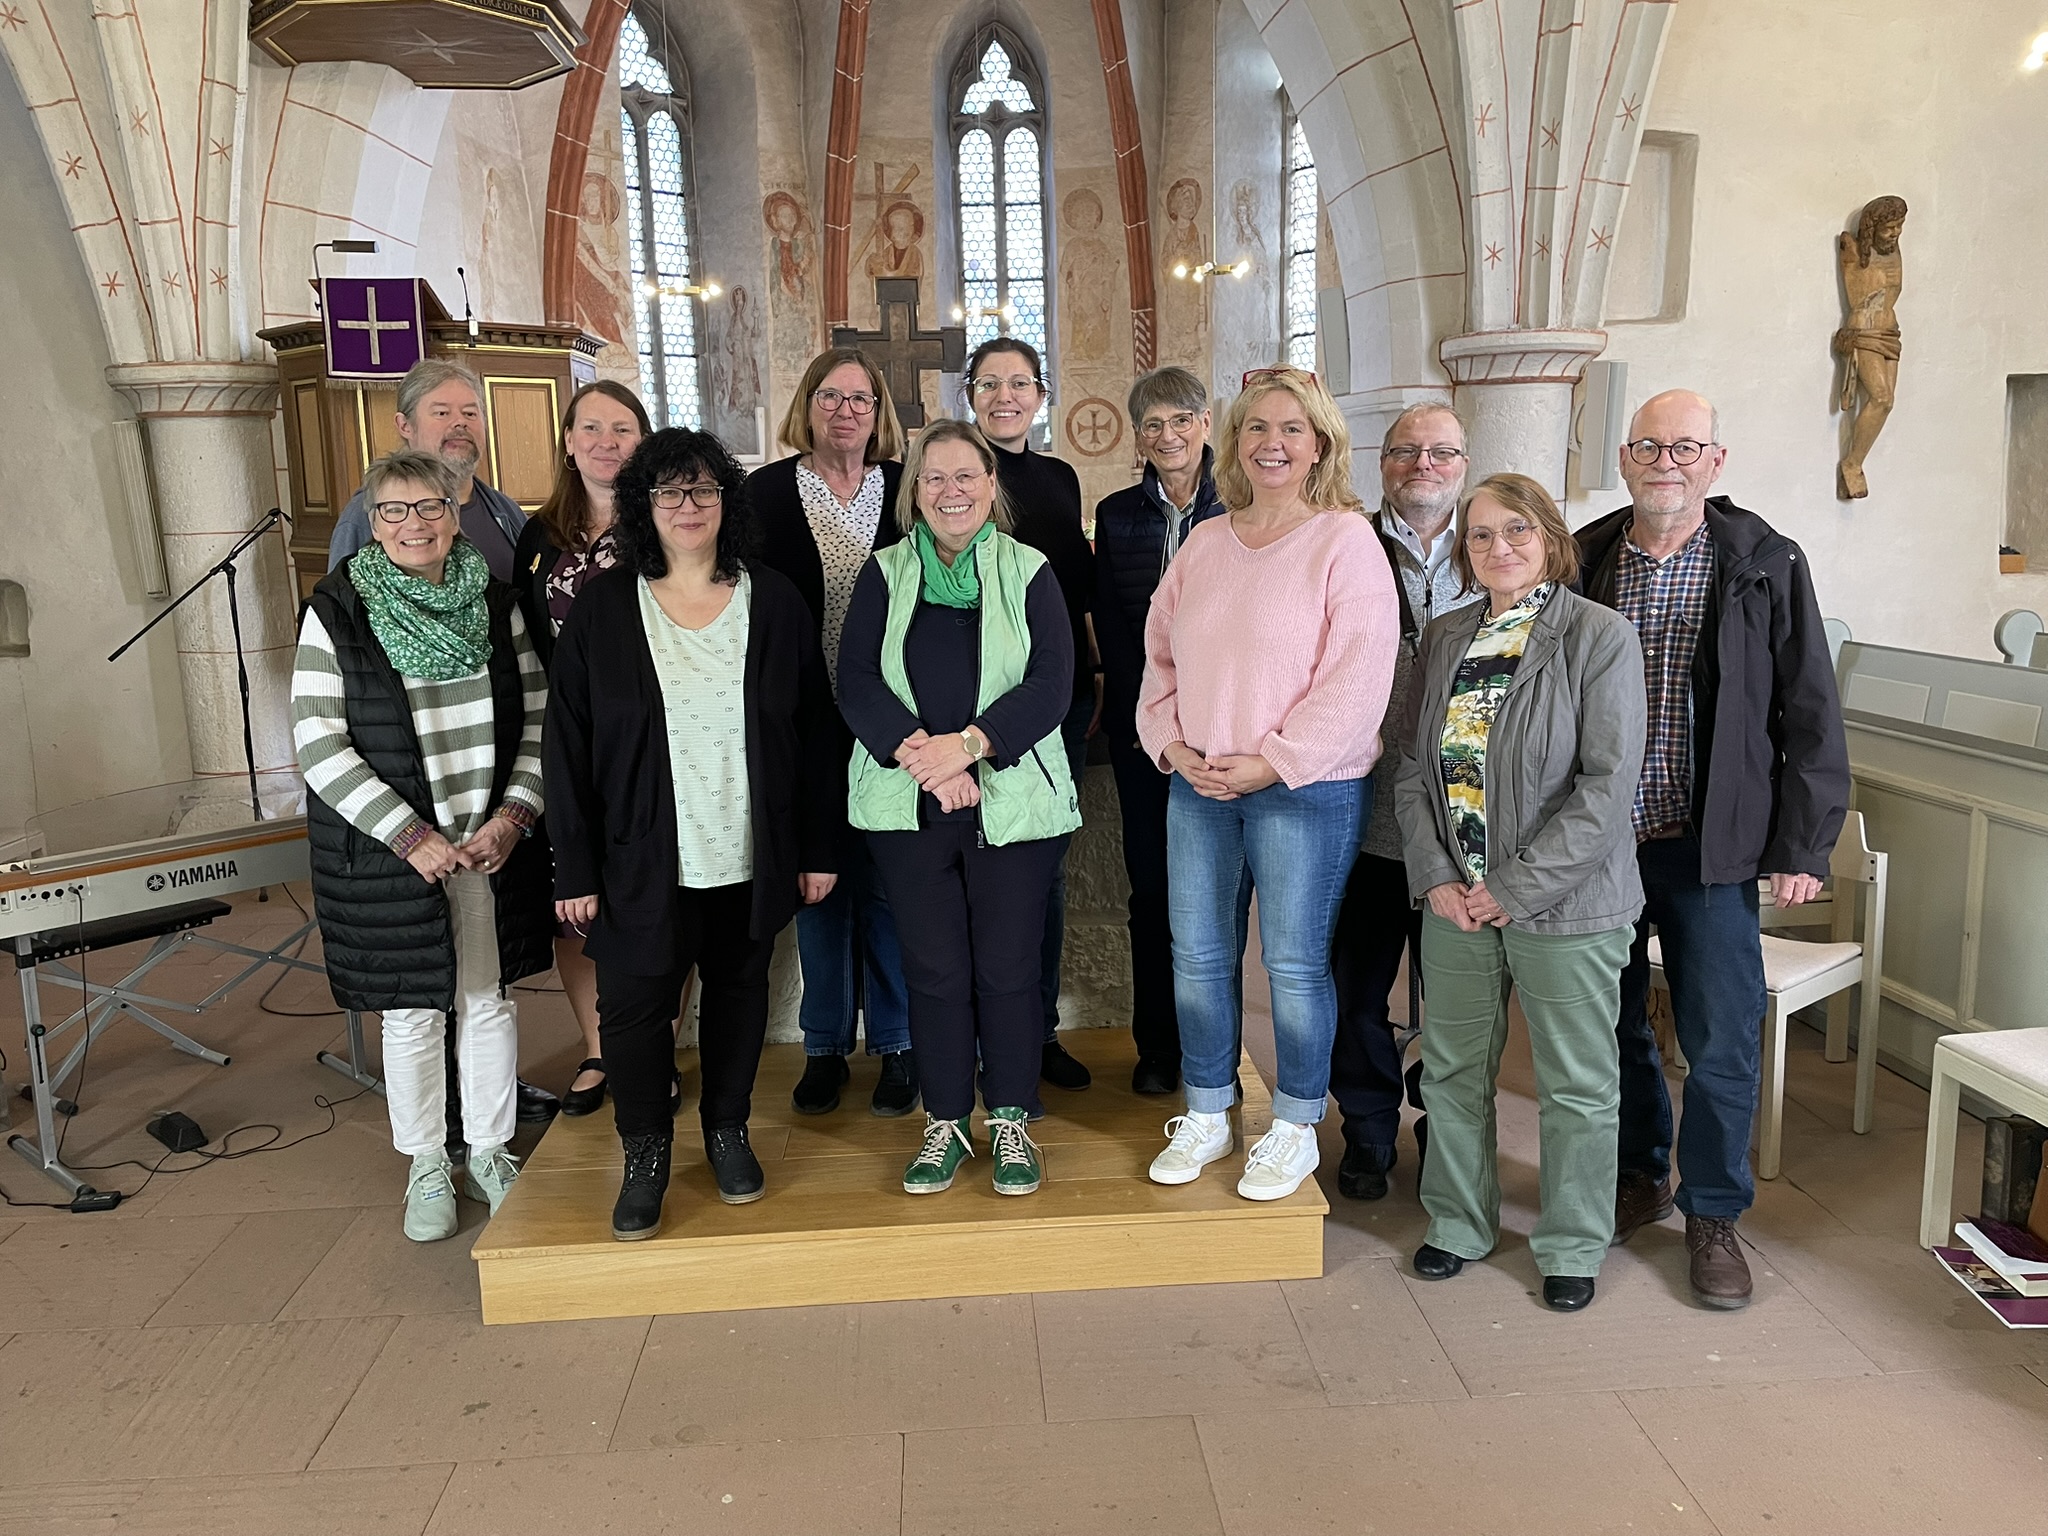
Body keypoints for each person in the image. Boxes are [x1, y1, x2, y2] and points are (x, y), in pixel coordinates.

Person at [1578, 389, 1850, 1309]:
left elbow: (1810, 708)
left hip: (1711, 844)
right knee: (1613, 1026)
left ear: (1715, 461)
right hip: (1602, 847)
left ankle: (1714, 1213)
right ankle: (1639, 1173)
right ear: (1626, 458)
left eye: (1686, 447)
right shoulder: (1588, 557)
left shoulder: (1765, 563)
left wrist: (1803, 842)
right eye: (1650, 447)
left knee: (1721, 1037)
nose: (1668, 463)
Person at [544, 428, 840, 1240]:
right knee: (634, 1012)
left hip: (749, 849)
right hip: (637, 858)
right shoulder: (606, 607)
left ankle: (727, 1131)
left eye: (702, 488)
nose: (686, 505)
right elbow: (566, 745)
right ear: (643, 504)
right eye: (668, 490)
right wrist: (575, 868)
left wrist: (817, 849)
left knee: (739, 996)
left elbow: (816, 733)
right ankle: (644, 1154)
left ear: (725, 501)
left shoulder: (773, 599)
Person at [1139, 366, 1398, 1202]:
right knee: (1196, 958)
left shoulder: (1344, 540)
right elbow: (1159, 656)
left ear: (1320, 444)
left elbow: (1359, 675)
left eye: (1292, 429)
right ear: (1234, 442)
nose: (1273, 443)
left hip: (1304, 789)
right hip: (1200, 786)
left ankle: (1293, 1128)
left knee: (1292, 964)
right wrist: (1172, 745)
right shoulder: (1206, 542)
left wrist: (1275, 760)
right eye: (1257, 428)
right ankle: (1209, 1110)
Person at [1395, 473, 1647, 1313]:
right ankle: (1458, 1221)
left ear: (1550, 538)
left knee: (1576, 1084)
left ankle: (1572, 1243)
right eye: (1480, 535)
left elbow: (1607, 787)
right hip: (1456, 904)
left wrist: (1514, 886)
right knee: (1452, 1071)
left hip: (1567, 906)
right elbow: (1412, 768)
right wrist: (1436, 873)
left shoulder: (1598, 635)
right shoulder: (1447, 635)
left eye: (1516, 531)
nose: (1498, 547)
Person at [291, 448, 553, 1242]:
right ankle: (428, 1165)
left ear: (454, 512)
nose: (414, 523)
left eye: (430, 506)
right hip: (393, 852)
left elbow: (540, 717)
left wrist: (514, 815)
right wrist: (408, 835)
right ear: (373, 524)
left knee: (485, 999)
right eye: (395, 511)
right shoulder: (338, 611)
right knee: (411, 1012)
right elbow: (317, 740)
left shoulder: (498, 604)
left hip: (485, 844)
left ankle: (492, 1151)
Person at [837, 418, 1080, 1198]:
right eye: (934, 478)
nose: (950, 491)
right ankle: (945, 1120)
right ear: (915, 492)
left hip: (1012, 806)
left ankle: (1009, 1120)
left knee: (1008, 970)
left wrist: (970, 747)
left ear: (990, 484)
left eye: (965, 476)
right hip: (910, 809)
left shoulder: (1030, 570)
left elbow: (1053, 683)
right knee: (934, 971)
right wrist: (928, 760)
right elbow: (856, 681)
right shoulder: (884, 573)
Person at [749, 347, 917, 1118]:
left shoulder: (907, 488)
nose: (846, 411)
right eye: (830, 396)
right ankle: (823, 1047)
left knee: (888, 886)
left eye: (861, 399)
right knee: (817, 886)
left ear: (878, 412)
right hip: (801, 719)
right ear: (806, 405)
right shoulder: (764, 493)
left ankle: (897, 1044)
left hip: (893, 716)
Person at [1328, 402, 1483, 1200]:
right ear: (1380, 463)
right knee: (1356, 988)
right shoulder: (1344, 543)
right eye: (1405, 451)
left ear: (1464, 464)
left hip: (1462, 823)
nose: (1424, 464)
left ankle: (1446, 1127)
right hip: (1362, 812)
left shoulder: (1494, 545)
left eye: (1442, 452)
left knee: (1458, 994)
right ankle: (1366, 1128)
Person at [1092, 365, 1235, 1095]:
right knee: (1150, 894)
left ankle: (1218, 1052)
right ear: (1138, 436)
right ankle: (1157, 1047)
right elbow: (1114, 627)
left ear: (1207, 424)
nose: (1168, 435)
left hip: (1225, 733)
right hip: (1144, 735)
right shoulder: (1117, 514)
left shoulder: (1239, 504)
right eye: (1153, 424)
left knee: (1220, 901)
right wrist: (1150, 721)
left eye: (1182, 419)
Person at [510, 380, 651, 1119]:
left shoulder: (664, 522)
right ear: (568, 442)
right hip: (565, 741)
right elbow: (525, 643)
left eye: (622, 428)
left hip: (650, 740)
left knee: (657, 899)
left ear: (643, 439)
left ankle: (651, 1048)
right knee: (576, 899)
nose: (606, 442)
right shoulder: (539, 537)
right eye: (590, 428)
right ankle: (598, 1048)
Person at [965, 337, 1097, 1093]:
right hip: (968, 706)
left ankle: (1035, 1031)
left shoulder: (1059, 478)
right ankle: (973, 1037)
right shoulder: (954, 471)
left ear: (1041, 396)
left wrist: (1094, 676)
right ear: (970, 396)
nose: (1004, 397)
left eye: (1019, 383)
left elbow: (1074, 594)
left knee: (1041, 873)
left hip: (1053, 701)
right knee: (971, 876)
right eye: (989, 383)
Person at [328, 359, 528, 583]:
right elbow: (341, 598)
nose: (460, 422)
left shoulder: (507, 511)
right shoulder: (366, 514)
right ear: (405, 425)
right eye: (442, 413)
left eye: (470, 413)